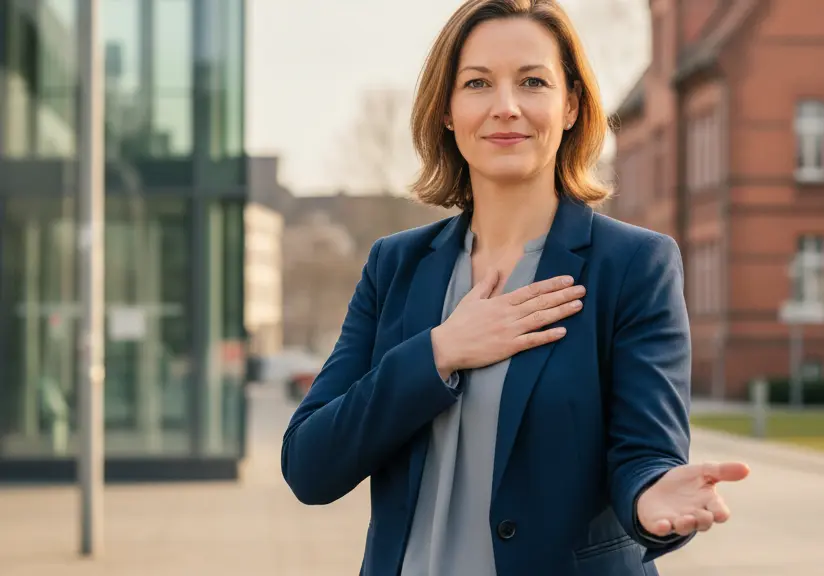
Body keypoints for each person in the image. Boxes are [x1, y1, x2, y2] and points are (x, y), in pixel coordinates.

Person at [281, 1, 750, 574]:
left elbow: (645, 455)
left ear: (572, 105)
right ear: (448, 111)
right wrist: (440, 352)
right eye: (477, 83)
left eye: (533, 82)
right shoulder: (394, 266)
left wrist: (651, 496)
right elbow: (310, 465)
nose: (506, 107)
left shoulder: (634, 265)